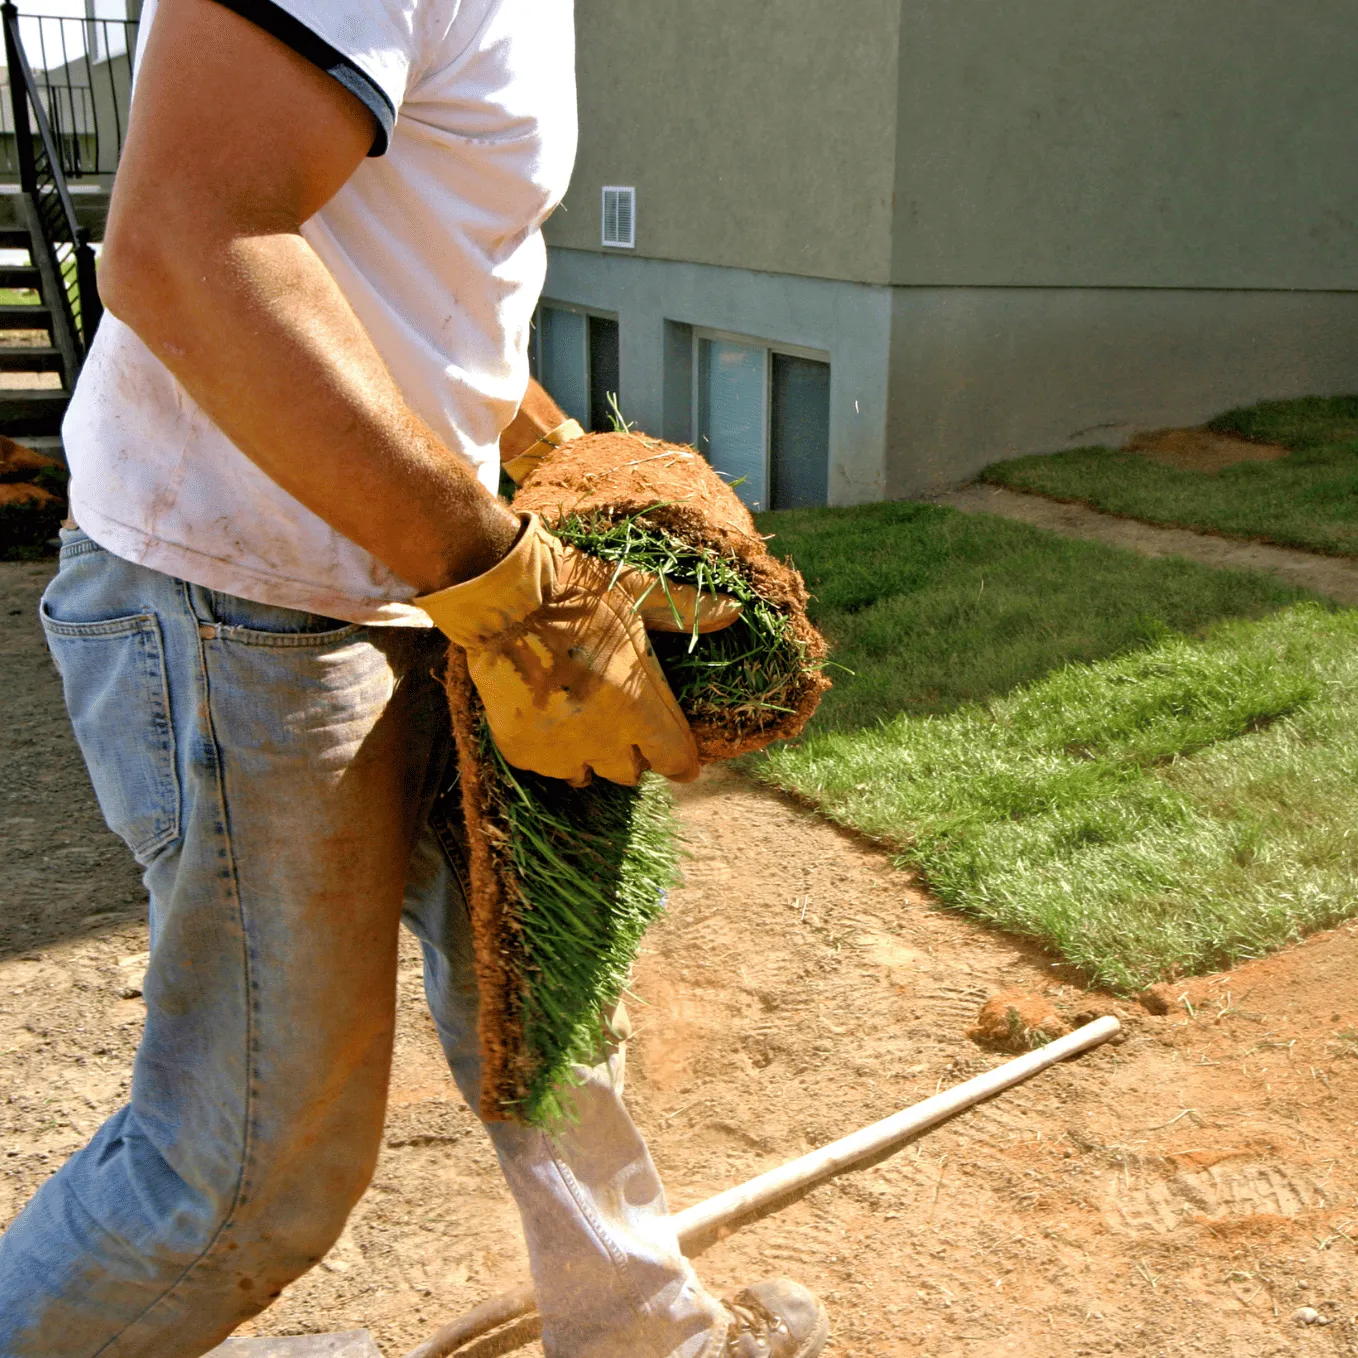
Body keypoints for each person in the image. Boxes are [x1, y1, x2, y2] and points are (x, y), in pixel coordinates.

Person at [0, 1, 826, 1355]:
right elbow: (186, 241)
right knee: (244, 1173)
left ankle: (642, 1331)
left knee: (541, 972)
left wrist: (553, 454)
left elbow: (399, 264)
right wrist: (510, 583)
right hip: (243, 590)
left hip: (407, 568)